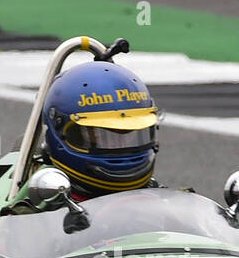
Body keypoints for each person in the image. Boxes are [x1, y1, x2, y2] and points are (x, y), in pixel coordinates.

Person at [40, 60, 160, 199]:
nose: (119, 146)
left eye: (130, 135)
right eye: (102, 136)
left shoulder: (163, 204)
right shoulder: (35, 209)